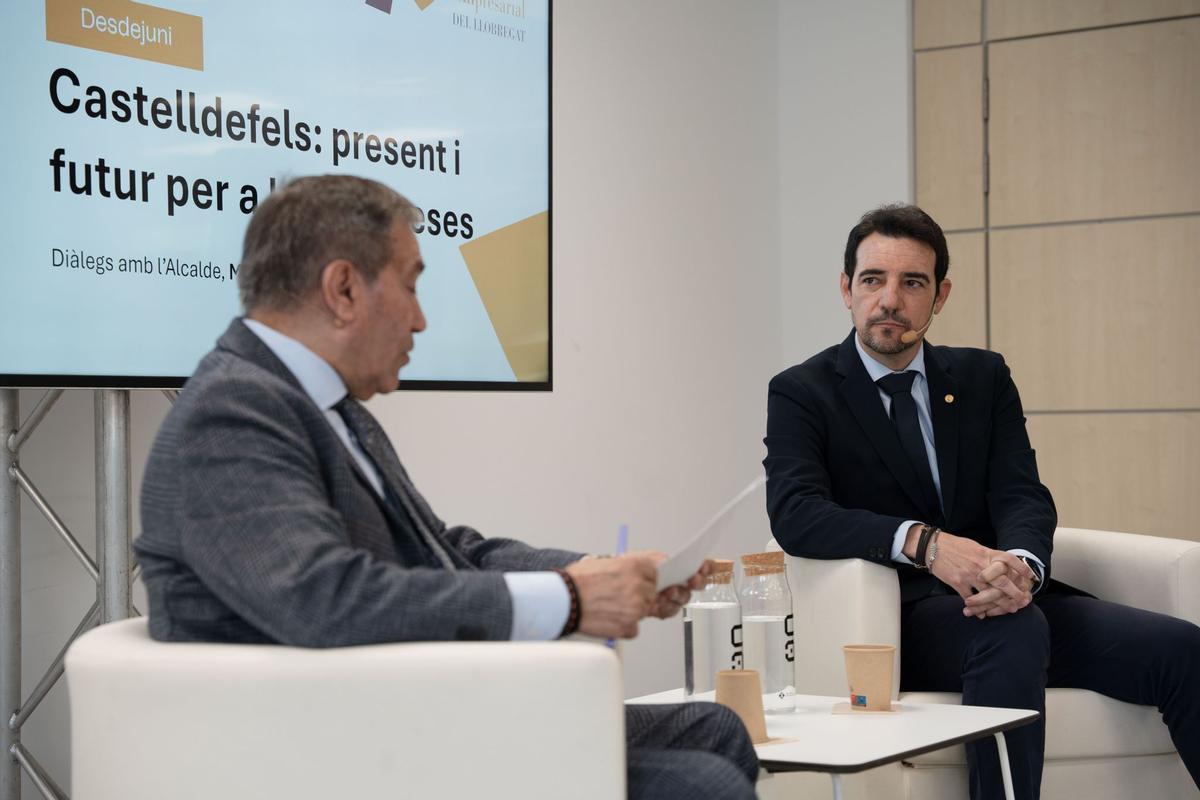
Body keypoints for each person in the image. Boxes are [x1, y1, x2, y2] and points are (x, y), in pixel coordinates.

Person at [134, 174, 758, 799]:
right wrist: (570, 598)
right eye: (411, 285)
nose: (421, 319)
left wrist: (601, 575)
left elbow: (445, 550)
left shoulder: (327, 407)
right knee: (705, 785)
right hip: (341, 755)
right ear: (343, 289)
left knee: (715, 730)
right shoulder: (231, 412)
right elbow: (326, 599)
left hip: (413, 714)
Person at [763, 203, 1200, 800]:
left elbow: (1021, 493)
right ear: (846, 289)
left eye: (912, 282)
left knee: (1182, 648)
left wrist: (1021, 566)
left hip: (1010, 599)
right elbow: (797, 512)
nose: (889, 300)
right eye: (873, 280)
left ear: (939, 295)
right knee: (1012, 632)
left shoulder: (982, 378)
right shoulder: (802, 391)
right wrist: (927, 545)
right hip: (899, 617)